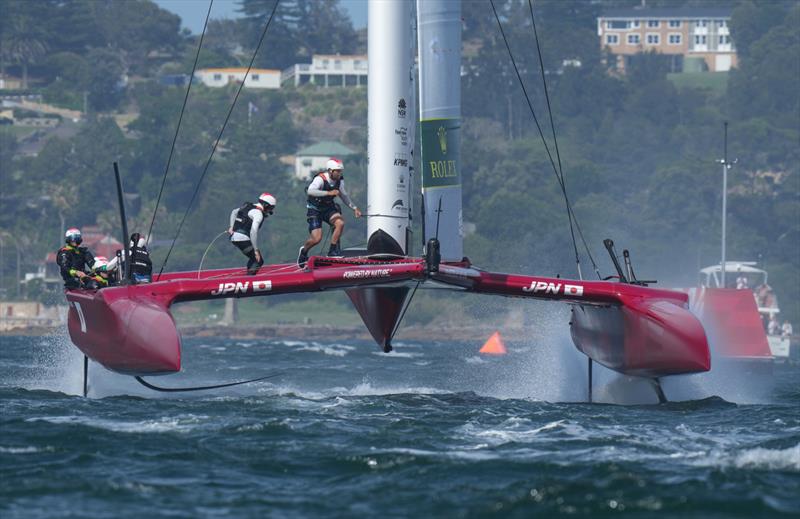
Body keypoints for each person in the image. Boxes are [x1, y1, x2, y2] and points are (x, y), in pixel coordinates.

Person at [297, 158, 361, 266]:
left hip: (328, 208)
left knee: (340, 223)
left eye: (340, 171)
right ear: (330, 171)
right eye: (338, 171)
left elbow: (344, 196)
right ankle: (304, 251)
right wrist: (328, 193)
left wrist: (354, 208)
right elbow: (310, 191)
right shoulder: (320, 179)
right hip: (315, 210)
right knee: (317, 239)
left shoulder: (340, 180)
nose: (340, 173)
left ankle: (332, 251)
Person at [228, 192, 276, 275]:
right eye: (270, 209)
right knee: (258, 260)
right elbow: (253, 232)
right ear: (266, 205)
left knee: (253, 259)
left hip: (233, 237)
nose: (269, 211)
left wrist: (232, 227)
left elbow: (234, 212)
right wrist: (256, 250)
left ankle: (248, 276)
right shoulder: (258, 214)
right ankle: (248, 280)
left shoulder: (247, 206)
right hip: (242, 239)